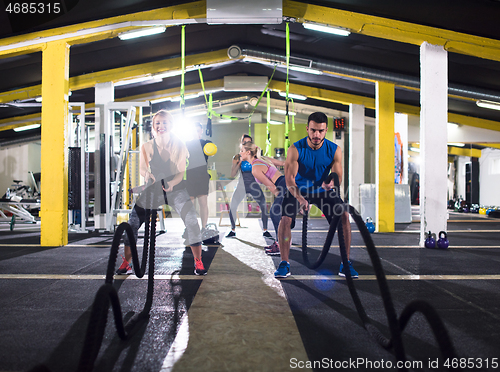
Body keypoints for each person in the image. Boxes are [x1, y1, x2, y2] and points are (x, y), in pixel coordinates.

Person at [116, 109, 207, 276]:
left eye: (164, 123)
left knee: (192, 220)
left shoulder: (179, 144)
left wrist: (171, 184)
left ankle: (198, 261)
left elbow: (180, 173)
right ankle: (127, 262)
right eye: (157, 123)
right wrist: (147, 175)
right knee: (133, 223)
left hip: (176, 188)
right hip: (154, 188)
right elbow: (143, 169)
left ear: (170, 125)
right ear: (153, 126)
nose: (161, 126)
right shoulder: (147, 146)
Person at [274, 112, 359, 279]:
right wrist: (300, 198)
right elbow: (290, 179)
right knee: (285, 219)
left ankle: (346, 263)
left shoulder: (334, 150)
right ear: (307, 129)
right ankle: (284, 263)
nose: (316, 135)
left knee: (344, 216)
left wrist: (332, 183)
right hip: (298, 189)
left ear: (326, 130)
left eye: (320, 131)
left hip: (322, 190)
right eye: (313, 130)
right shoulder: (295, 149)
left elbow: (338, 175)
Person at [239, 141, 286, 255]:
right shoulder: (263, 159)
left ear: (248, 152)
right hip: (285, 183)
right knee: (280, 213)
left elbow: (273, 188)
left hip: (284, 186)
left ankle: (281, 245)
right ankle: (281, 241)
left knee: (275, 212)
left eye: (241, 151)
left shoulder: (255, 168)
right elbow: (284, 163)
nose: (240, 153)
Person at [225, 134, 272, 239]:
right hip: (241, 185)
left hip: (254, 185)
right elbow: (232, 174)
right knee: (232, 206)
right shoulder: (237, 157)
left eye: (249, 142)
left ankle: (265, 230)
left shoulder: (256, 157)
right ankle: (232, 230)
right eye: (244, 142)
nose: (247, 144)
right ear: (241, 143)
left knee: (264, 206)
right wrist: (239, 162)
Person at [185, 122, 217, 242]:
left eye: (198, 130)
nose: (196, 133)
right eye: (194, 131)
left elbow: (213, 151)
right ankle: (191, 228)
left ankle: (203, 228)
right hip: (190, 176)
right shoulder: (186, 144)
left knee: (203, 203)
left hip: (202, 176)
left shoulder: (206, 143)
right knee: (190, 205)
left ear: (201, 131)